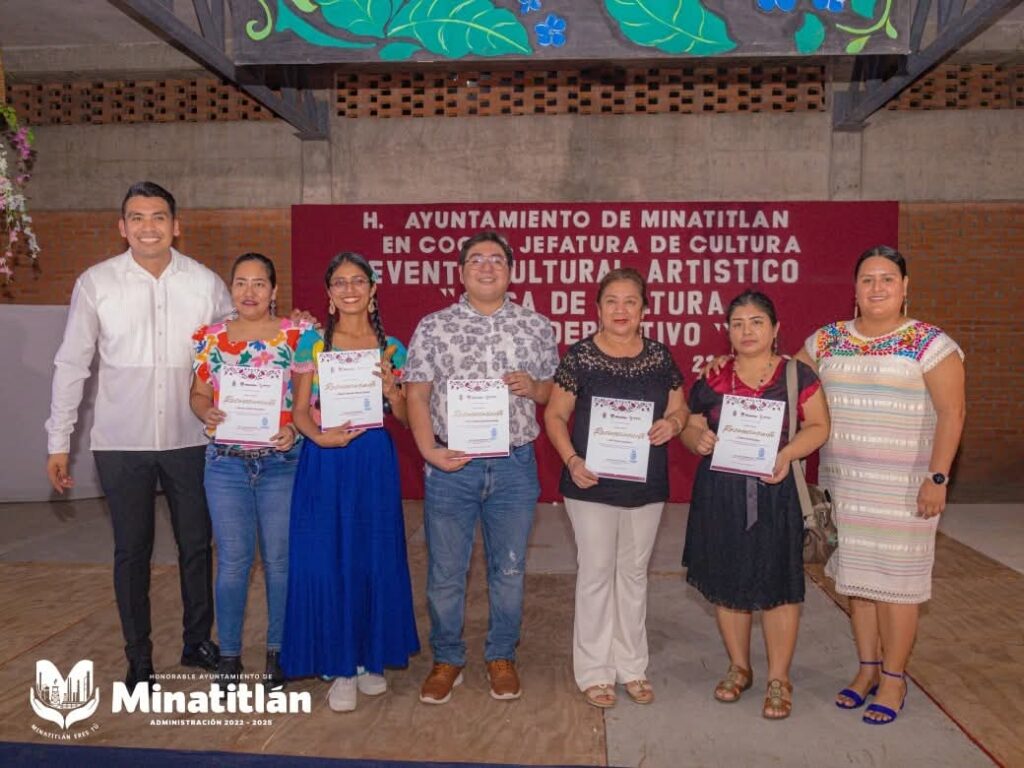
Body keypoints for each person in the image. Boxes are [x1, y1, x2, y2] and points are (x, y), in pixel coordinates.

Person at [45, 181, 229, 688]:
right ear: (122, 227)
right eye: (137, 217)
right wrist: (59, 440)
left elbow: (233, 360)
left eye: (158, 217)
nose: (149, 227)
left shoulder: (206, 284)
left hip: (193, 440)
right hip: (119, 443)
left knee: (197, 545)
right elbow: (71, 364)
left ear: (176, 225)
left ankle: (197, 642)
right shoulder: (95, 284)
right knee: (132, 552)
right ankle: (139, 658)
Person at [797, 246, 965, 725]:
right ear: (854, 289)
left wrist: (937, 477)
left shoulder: (930, 344)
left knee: (897, 588)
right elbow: (782, 379)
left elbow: (953, 414)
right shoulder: (827, 340)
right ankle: (867, 668)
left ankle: (895, 677)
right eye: (867, 279)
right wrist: (723, 372)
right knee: (859, 582)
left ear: (905, 287)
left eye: (887, 279)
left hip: (906, 490)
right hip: (844, 486)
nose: (877, 288)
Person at [404, 231, 559, 704]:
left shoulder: (536, 325)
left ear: (511, 270)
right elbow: (416, 393)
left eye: (496, 259)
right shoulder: (433, 326)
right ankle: (447, 658)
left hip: (514, 464)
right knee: (446, 572)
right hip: (452, 463)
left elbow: (553, 392)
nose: (486, 267)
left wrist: (534, 388)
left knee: (508, 569)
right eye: (476, 259)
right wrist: (429, 451)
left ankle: (501, 655)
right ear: (461, 271)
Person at [280, 251, 419, 713]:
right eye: (339, 282)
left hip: (373, 460)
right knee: (329, 558)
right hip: (326, 457)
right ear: (329, 293)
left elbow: (402, 416)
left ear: (374, 289)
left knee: (373, 556)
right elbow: (299, 412)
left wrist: (390, 390)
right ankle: (339, 665)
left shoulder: (392, 348)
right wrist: (321, 436)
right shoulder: (313, 345)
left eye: (359, 280)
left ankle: (369, 658)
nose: (350, 289)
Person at [681, 289, 829, 720]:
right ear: (727, 332)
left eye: (757, 322)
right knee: (728, 583)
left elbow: (819, 426)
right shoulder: (712, 377)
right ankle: (739, 667)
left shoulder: (797, 375)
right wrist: (697, 438)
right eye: (738, 324)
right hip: (720, 493)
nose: (747, 331)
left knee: (779, 586)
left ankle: (779, 678)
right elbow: (689, 424)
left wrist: (787, 454)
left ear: (776, 329)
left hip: (776, 489)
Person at [544, 268, 687, 709]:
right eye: (612, 301)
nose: (621, 310)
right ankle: (593, 671)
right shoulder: (580, 357)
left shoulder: (660, 357)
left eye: (630, 301)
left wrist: (673, 423)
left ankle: (632, 667)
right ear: (599, 308)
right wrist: (572, 459)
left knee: (633, 575)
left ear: (645, 309)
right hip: (589, 484)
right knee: (596, 573)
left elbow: (679, 406)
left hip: (646, 485)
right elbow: (553, 416)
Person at [189, 253, 303, 690]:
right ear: (231, 289)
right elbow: (198, 394)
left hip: (281, 464)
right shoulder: (210, 338)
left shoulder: (299, 334)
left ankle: (278, 652)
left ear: (274, 290)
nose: (249, 292)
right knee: (233, 563)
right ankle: (230, 656)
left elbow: (309, 399)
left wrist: (295, 427)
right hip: (226, 467)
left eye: (259, 283)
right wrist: (209, 412)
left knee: (279, 562)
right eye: (241, 283)